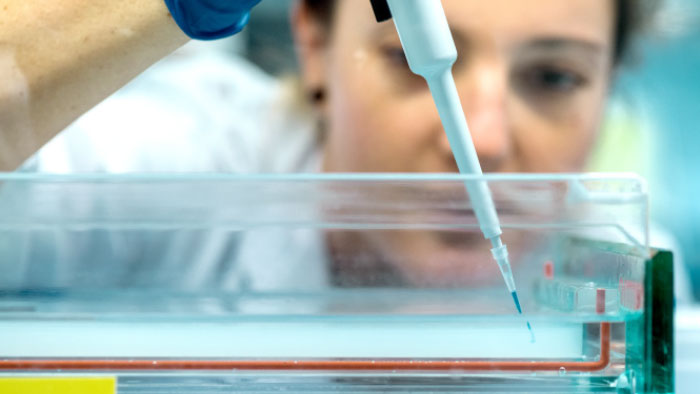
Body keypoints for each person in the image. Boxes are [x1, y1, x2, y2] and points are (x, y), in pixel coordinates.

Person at [0, 0, 690, 300]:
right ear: (314, 47)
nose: (482, 141)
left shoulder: (619, 271)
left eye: (553, 77)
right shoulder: (175, 165)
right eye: (406, 62)